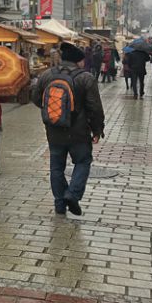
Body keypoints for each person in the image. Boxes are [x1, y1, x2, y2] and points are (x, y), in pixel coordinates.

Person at [32, 43, 105, 216]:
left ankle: (59, 204)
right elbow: (95, 107)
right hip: (78, 132)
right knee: (82, 162)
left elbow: (36, 99)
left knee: (56, 167)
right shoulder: (86, 78)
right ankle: (72, 194)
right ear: (78, 61)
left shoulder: (46, 75)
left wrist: (52, 112)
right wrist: (97, 130)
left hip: (54, 130)